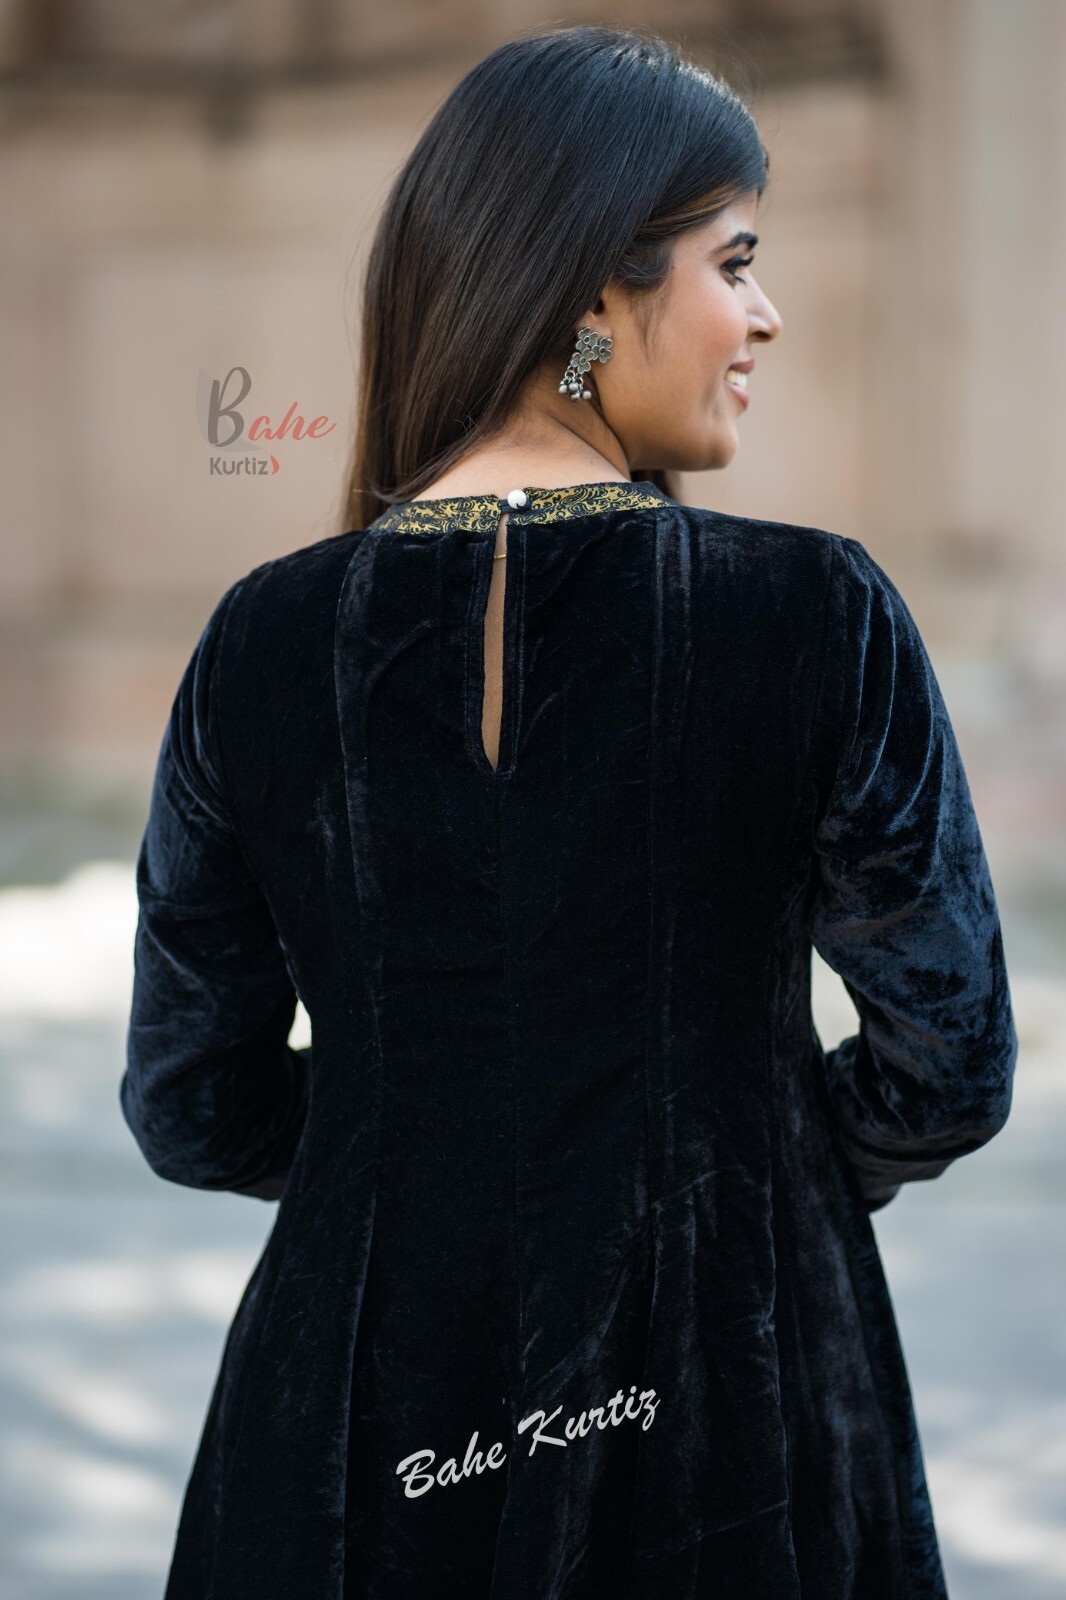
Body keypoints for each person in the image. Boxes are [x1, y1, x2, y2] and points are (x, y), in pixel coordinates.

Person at [121, 22, 1017, 1600]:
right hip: (731, 1422)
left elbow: (193, 1105)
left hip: (348, 1434)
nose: (765, 315)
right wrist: (744, 1161)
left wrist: (408, 1149)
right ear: (596, 293)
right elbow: (945, 1066)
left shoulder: (259, 642)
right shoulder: (812, 616)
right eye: (734, 262)